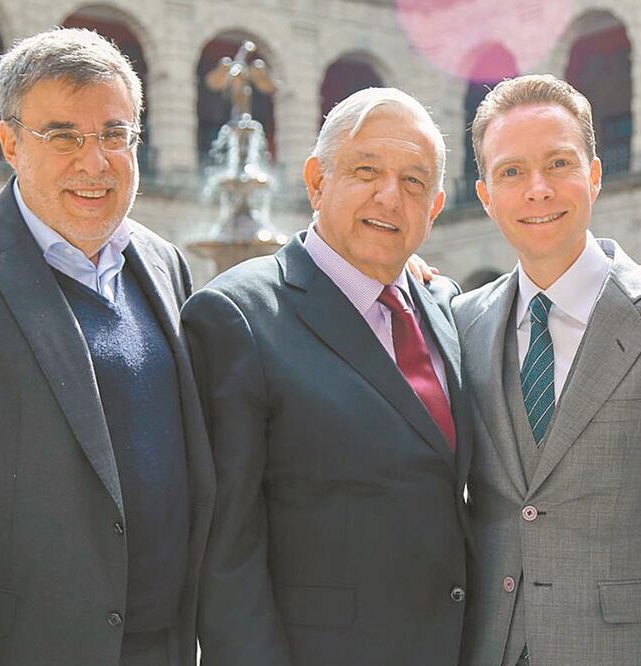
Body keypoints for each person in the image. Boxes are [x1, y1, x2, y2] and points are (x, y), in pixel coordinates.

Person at [0, 28, 214, 666]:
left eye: (114, 134)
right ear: (10, 142)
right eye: (64, 135)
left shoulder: (166, 266)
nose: (94, 161)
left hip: (163, 648)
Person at [453, 74, 641, 666]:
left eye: (559, 163)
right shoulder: (461, 323)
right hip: (489, 647)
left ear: (595, 174)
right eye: (511, 172)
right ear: (484, 194)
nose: (537, 190)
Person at [184, 87, 471, 666]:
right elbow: (225, 555)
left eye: (414, 182)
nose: (390, 196)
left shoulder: (442, 304)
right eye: (366, 171)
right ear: (317, 181)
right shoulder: (236, 316)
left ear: (435, 207)